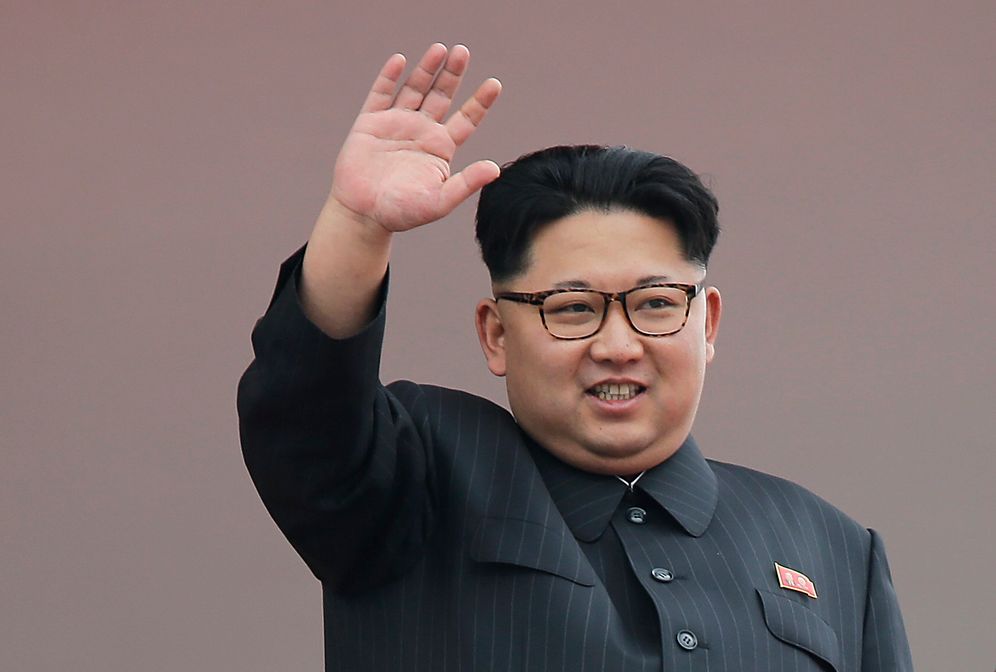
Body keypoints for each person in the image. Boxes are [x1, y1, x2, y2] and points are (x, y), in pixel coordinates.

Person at [237, 43, 913, 671]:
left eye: (654, 304)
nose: (617, 347)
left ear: (705, 323)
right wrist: (357, 227)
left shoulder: (833, 546)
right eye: (572, 309)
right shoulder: (414, 478)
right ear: (496, 335)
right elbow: (307, 405)